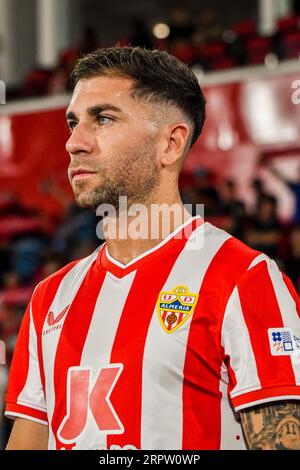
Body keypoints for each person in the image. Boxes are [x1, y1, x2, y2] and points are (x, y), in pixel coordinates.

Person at [4, 47, 300, 450]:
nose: (74, 142)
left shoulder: (243, 279)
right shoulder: (49, 298)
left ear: (171, 144)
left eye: (103, 119)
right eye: (73, 122)